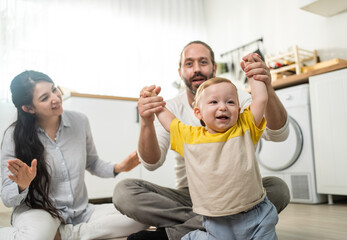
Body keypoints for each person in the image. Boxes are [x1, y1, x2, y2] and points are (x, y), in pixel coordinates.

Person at [113, 41, 290, 240]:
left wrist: (261, 80)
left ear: (214, 68)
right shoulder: (186, 130)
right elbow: (152, 162)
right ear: (180, 72)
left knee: (278, 189)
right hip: (190, 197)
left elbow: (273, 123)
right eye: (189, 63)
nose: (223, 107)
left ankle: (180, 232)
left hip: (241, 195)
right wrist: (148, 116)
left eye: (203, 62)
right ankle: (219, 222)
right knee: (124, 192)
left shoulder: (241, 111)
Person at [0, 70, 147, 240]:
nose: (55, 98)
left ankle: (64, 235)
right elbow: (7, 198)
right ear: (28, 108)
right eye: (45, 98)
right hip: (41, 211)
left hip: (80, 211)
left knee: (141, 217)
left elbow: (92, 162)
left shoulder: (80, 121)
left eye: (54, 90)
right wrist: (21, 186)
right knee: (35, 237)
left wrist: (120, 167)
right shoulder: (14, 136)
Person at [155, 75, 278, 239]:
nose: (223, 107)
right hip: (218, 221)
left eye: (230, 102)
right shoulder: (189, 137)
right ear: (198, 113)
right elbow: (169, 122)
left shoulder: (245, 126)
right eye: (214, 102)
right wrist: (153, 103)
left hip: (257, 215)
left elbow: (261, 99)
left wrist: (254, 74)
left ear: (239, 110)